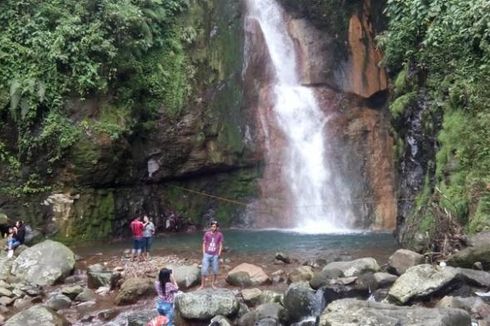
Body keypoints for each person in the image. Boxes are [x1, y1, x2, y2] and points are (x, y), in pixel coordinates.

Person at [199, 220, 223, 289]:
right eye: (212, 226)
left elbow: (220, 244)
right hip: (207, 254)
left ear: (217, 227)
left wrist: (219, 253)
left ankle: (212, 284)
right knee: (204, 269)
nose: (213, 228)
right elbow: (204, 243)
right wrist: (204, 253)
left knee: (214, 270)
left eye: (214, 227)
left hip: (215, 255)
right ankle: (202, 285)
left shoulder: (220, 234)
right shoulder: (207, 234)